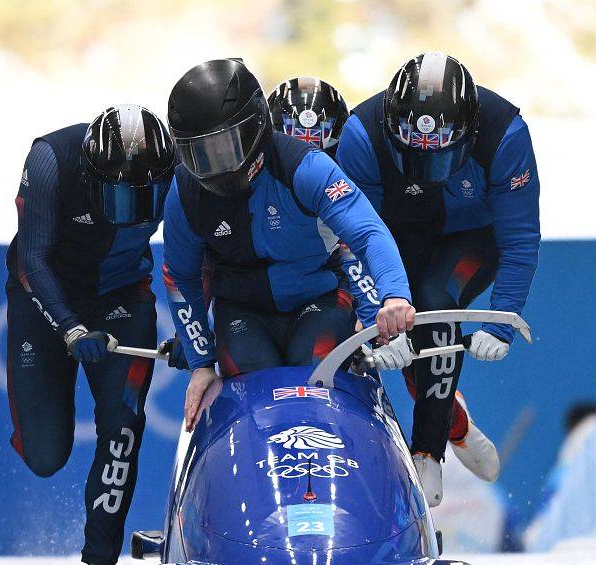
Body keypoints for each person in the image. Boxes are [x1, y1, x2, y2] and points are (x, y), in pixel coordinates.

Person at [267, 76, 499, 501]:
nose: (308, 158)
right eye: (295, 145)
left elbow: (357, 248)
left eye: (321, 148)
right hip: (276, 291)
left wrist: (373, 309)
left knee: (387, 354)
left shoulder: (338, 180)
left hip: (336, 286)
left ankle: (449, 429)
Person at [162, 59, 415, 429]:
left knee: (313, 368)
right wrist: (201, 363)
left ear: (256, 127)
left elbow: (367, 232)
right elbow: (181, 277)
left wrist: (394, 296)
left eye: (225, 148)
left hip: (319, 300)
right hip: (243, 312)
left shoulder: (305, 167)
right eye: (199, 154)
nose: (214, 166)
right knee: (254, 378)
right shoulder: (184, 193)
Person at [336, 52, 541, 503]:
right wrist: (375, 315)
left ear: (469, 132)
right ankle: (456, 425)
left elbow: (520, 239)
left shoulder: (504, 134)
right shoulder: (361, 135)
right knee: (399, 334)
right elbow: (353, 238)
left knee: (432, 298)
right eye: (413, 149)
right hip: (392, 239)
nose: (427, 163)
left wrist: (501, 319)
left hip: (470, 237)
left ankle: (427, 452)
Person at [5, 105, 174, 565]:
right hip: (45, 297)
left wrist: (199, 335)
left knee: (123, 423)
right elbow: (33, 257)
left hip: (123, 296)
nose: (130, 212)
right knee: (45, 455)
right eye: (119, 196)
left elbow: (203, 248)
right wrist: (71, 329)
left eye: (141, 199)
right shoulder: (50, 160)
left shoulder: (178, 170)